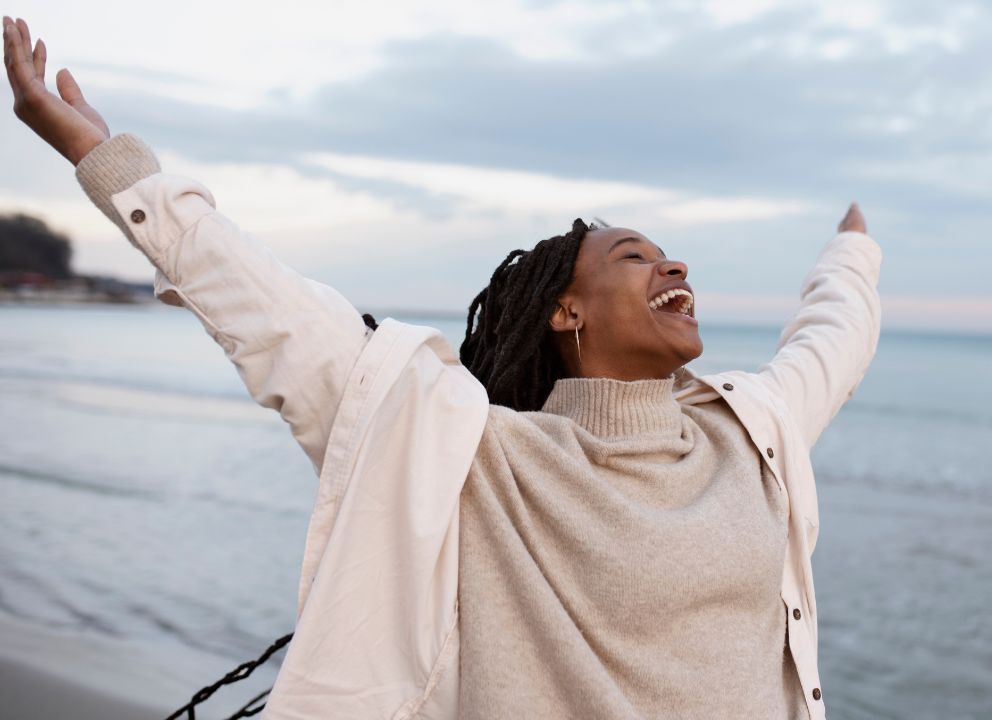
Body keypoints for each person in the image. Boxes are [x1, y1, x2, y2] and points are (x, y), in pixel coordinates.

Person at [4, 16, 883, 720]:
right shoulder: (474, 458)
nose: (674, 266)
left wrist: (851, 254)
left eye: (672, 255)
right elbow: (281, 319)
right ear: (565, 311)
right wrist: (109, 164)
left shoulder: (749, 433)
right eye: (634, 256)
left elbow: (830, 344)